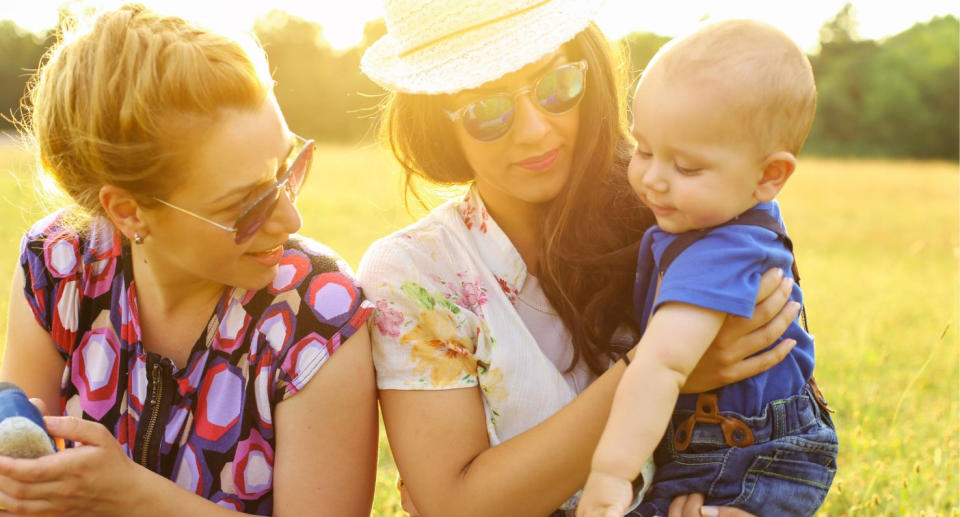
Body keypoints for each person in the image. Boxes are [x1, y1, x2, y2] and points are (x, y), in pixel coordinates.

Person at [357, 1, 801, 515]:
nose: (535, 131)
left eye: (556, 87)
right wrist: (664, 369)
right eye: (487, 110)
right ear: (438, 119)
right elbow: (458, 505)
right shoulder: (415, 272)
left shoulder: (677, 209)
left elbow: (780, 424)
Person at [0, 5, 377, 515]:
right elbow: (23, 479)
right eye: (246, 205)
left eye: (287, 169)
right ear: (128, 211)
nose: (291, 219)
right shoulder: (59, 266)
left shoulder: (317, 309)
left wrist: (131, 497)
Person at [578, 20, 838, 517]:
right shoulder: (733, 206)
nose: (652, 178)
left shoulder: (719, 250)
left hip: (744, 460)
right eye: (645, 149)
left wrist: (611, 474)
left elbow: (663, 364)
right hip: (736, 446)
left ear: (769, 175)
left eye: (687, 167)